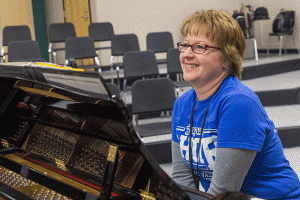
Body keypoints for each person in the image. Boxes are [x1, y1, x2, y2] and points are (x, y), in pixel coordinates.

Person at [171, 9, 300, 199]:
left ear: (227, 58)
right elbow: (182, 181)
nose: (187, 54)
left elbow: (223, 192)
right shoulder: (182, 104)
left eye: (199, 47)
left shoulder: (238, 104)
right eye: (185, 45)